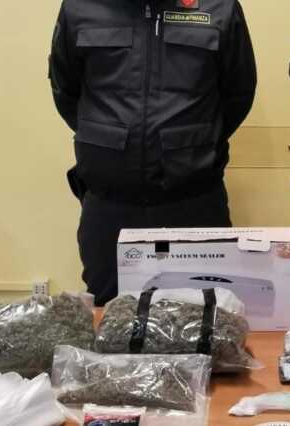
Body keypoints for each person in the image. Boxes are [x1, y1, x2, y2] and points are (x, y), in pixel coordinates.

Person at [49, 0, 256, 306]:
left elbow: (238, 92)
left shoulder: (219, 7)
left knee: (204, 319)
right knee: (110, 318)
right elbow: (67, 91)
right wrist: (110, 142)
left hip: (194, 205)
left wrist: (193, 143)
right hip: (110, 209)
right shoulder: (80, 7)